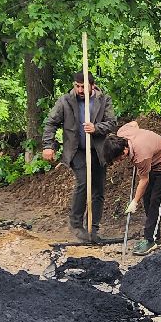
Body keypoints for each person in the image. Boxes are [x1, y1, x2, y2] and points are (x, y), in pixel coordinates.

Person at [41, 74, 119, 242]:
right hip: (77, 150)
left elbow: (112, 123)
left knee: (98, 190)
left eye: (83, 86)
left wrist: (96, 128)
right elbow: (51, 123)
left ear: (93, 85)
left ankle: (93, 228)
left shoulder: (103, 100)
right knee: (83, 182)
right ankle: (76, 225)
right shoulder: (65, 101)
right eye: (77, 86)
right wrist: (48, 145)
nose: (80, 90)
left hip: (98, 151)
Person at [102, 121, 161, 254]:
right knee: (147, 200)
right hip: (153, 164)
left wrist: (134, 202)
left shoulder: (141, 156)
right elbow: (134, 123)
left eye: (119, 158)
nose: (119, 161)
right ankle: (156, 237)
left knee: (156, 202)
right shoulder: (122, 132)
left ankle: (151, 240)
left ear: (125, 150)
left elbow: (144, 180)